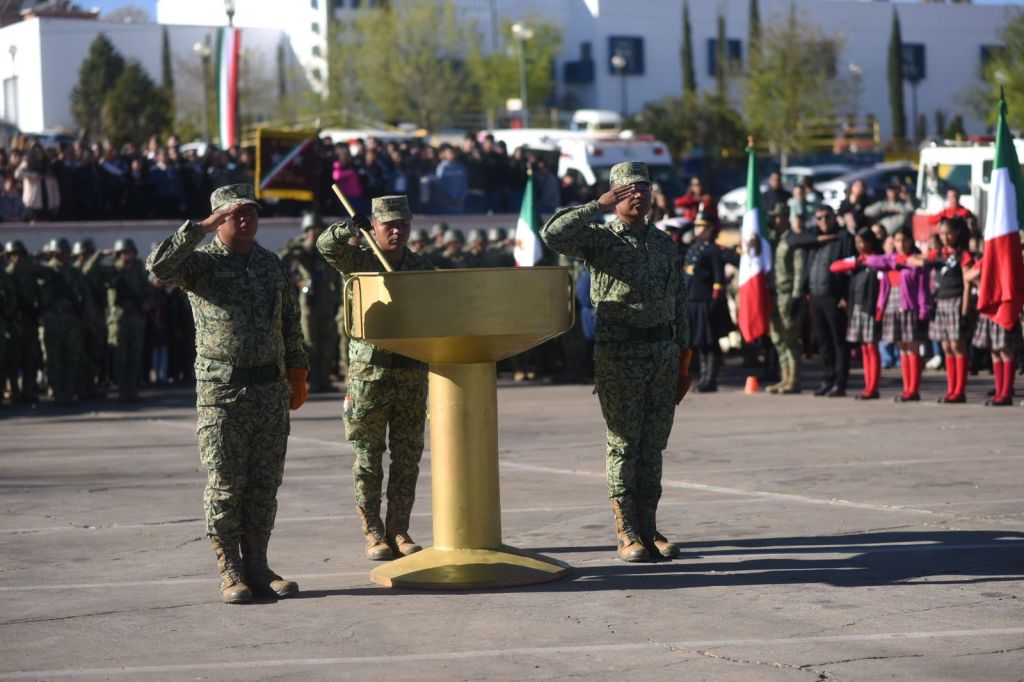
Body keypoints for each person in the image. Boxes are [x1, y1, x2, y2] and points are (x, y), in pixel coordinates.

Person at [146, 183, 309, 604]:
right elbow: (159, 267)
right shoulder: (200, 265)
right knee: (225, 484)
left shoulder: (270, 264)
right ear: (218, 219)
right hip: (224, 392)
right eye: (235, 213)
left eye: (251, 212)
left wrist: (298, 372)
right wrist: (199, 228)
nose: (246, 219)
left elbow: (289, 322)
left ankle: (258, 566)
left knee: (263, 484)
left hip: (269, 390)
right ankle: (230, 570)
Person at [541, 161, 692, 563]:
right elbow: (553, 234)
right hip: (619, 351)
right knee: (624, 443)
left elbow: (678, 300)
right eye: (627, 190)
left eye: (643, 187)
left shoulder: (663, 243)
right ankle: (626, 532)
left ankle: (649, 527)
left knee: (652, 445)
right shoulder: (600, 240)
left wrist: (684, 357)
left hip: (661, 352)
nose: (638, 195)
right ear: (614, 194)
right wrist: (597, 205)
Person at [316, 195, 432, 561]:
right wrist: (350, 228)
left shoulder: (420, 269)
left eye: (403, 224)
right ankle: (373, 532)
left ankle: (399, 529)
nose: (397, 231)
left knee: (407, 457)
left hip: (411, 372)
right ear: (375, 227)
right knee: (368, 458)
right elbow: (324, 246)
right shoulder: (359, 259)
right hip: (370, 375)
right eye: (388, 225)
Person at [789, 205, 856, 396]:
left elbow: (850, 270)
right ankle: (827, 379)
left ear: (834, 218)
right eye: (819, 218)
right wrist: (817, 239)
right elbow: (794, 239)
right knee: (823, 342)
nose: (823, 221)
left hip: (834, 297)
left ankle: (840, 382)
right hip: (816, 297)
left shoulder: (843, 238)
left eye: (827, 217)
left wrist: (845, 297)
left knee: (839, 342)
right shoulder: (814, 237)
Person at [864, 226, 931, 402]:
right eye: (897, 240)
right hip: (893, 305)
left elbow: (923, 289)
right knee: (902, 347)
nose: (901, 244)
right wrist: (895, 262)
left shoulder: (915, 261)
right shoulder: (891, 260)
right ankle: (906, 388)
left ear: (910, 241)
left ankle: (913, 389)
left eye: (904, 240)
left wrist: (924, 310)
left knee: (912, 347)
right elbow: (871, 261)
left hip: (910, 306)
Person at [280, 212, 341, 393]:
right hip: (308, 303)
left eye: (318, 230)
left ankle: (325, 379)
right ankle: (312, 380)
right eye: (311, 230)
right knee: (310, 343)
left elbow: (337, 275)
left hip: (327, 302)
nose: (315, 233)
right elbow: (282, 259)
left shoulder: (327, 251)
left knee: (328, 342)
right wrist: (299, 246)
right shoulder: (301, 251)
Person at [916, 216, 973, 403]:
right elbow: (919, 260)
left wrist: (965, 311)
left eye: (949, 233)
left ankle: (960, 390)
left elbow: (967, 284)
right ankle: (951, 389)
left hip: (956, 301)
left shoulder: (963, 255)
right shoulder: (937, 254)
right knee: (946, 346)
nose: (945, 237)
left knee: (957, 345)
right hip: (940, 302)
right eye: (941, 233)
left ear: (957, 233)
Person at [829, 228, 883, 400]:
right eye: (857, 242)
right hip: (856, 307)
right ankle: (867, 385)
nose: (859, 246)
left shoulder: (877, 260)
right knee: (864, 347)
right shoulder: (857, 260)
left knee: (872, 346)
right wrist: (857, 263)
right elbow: (834, 266)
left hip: (870, 307)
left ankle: (873, 387)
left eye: (862, 242)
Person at [683, 211, 727, 392]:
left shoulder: (713, 250)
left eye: (701, 226)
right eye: (696, 226)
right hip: (691, 299)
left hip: (705, 301)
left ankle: (710, 379)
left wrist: (714, 301)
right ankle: (702, 377)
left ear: (709, 229)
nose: (697, 229)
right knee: (698, 342)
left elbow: (719, 279)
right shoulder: (693, 248)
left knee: (709, 342)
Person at [765, 204, 805, 394]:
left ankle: (794, 380)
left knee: (790, 337)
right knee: (777, 337)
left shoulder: (793, 240)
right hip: (774, 294)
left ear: (785, 217)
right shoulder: (775, 240)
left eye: (778, 216)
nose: (775, 220)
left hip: (788, 294)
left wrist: (796, 296)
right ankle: (785, 377)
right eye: (774, 217)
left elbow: (799, 270)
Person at [108, 239, 150, 402]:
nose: (128, 256)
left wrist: (147, 303)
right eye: (124, 253)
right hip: (119, 319)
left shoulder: (138, 271)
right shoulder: (113, 271)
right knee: (120, 356)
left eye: (130, 252)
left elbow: (149, 294)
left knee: (135, 355)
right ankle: (122, 388)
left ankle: (132, 388)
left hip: (136, 318)